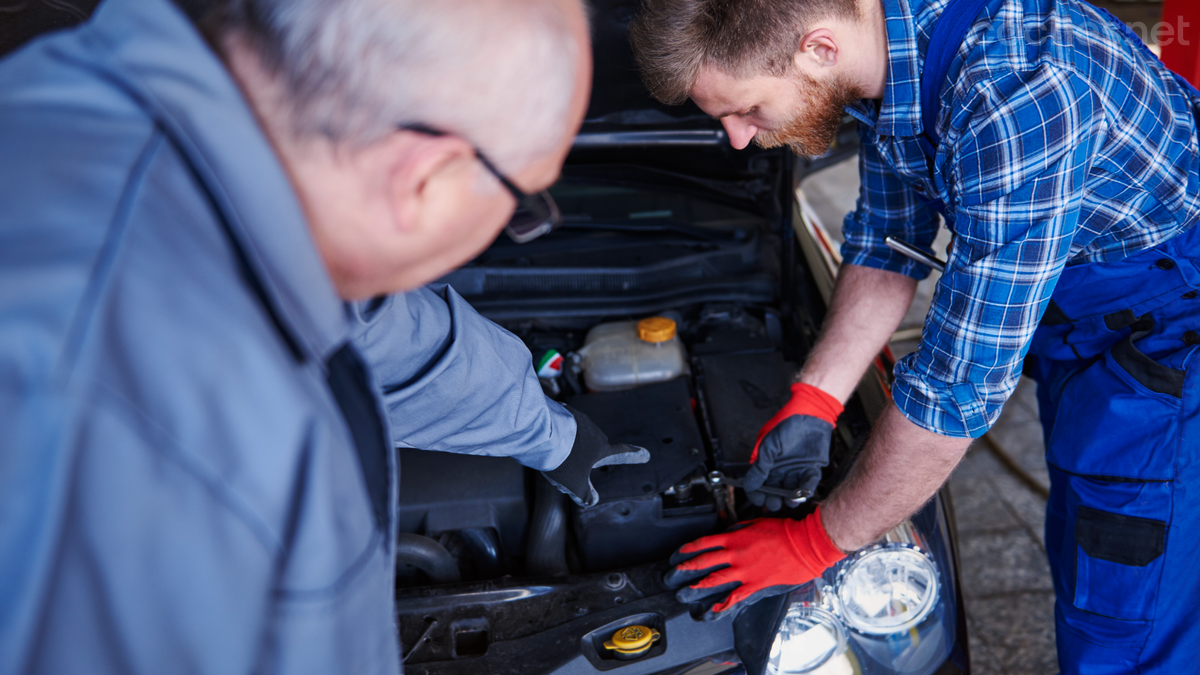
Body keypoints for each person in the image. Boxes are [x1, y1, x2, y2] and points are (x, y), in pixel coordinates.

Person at [0, 0, 650, 672]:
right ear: (421, 175)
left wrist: (554, 435)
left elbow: (385, 336)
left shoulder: (105, 108)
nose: (510, 222)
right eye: (522, 204)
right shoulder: (143, 440)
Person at [631, 0, 1200, 670]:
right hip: (1084, 317)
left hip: (1167, 334)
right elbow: (887, 245)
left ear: (817, 48)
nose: (735, 138)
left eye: (748, 109)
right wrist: (815, 398)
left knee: (1126, 614)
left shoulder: (1018, 94)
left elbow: (955, 396)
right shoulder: (888, 51)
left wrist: (812, 545)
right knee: (1087, 543)